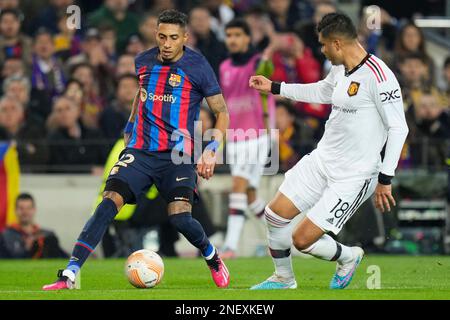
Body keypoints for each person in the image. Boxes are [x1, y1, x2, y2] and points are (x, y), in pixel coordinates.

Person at [43, 9, 230, 290]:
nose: (167, 44)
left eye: (174, 38)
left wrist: (212, 149)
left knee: (180, 217)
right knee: (108, 203)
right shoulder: (143, 60)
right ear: (156, 34)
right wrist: (130, 129)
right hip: (141, 151)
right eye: (162, 37)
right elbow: (141, 97)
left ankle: (211, 256)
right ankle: (70, 273)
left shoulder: (198, 66)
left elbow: (222, 112)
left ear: (185, 38)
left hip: (178, 156)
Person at [249, 13, 408, 290]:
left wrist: (385, 179)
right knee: (274, 214)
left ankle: (349, 256)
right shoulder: (339, 69)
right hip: (323, 160)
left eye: (323, 45)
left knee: (302, 240)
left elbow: (399, 128)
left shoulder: (379, 76)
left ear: (336, 43)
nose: (321, 50)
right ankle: (283, 278)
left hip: (355, 175)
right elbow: (324, 92)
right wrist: (276, 87)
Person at [218, 18, 275, 259]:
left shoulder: (259, 63)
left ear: (247, 38)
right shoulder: (224, 67)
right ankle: (282, 236)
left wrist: (269, 48)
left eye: (238, 35)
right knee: (250, 196)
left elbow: (268, 74)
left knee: (237, 186)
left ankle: (229, 247)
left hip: (256, 135)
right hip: (234, 137)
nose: (232, 39)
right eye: (229, 35)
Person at [0, 193, 68, 258]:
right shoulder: (6, 236)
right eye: (21, 208)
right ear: (15, 210)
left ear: (34, 210)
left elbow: (63, 257)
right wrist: (26, 249)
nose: (25, 212)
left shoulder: (46, 235)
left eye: (28, 208)